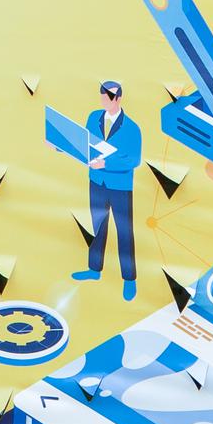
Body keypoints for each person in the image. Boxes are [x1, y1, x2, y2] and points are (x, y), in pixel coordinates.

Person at [74, 80, 142, 300]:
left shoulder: (132, 128)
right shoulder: (94, 117)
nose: (104, 100)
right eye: (102, 96)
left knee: (124, 232)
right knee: (97, 227)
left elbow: (133, 159)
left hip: (120, 187)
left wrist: (106, 164)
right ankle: (94, 269)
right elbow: (83, 143)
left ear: (118, 98)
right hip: (96, 183)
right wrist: (59, 145)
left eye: (108, 97)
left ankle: (129, 280)